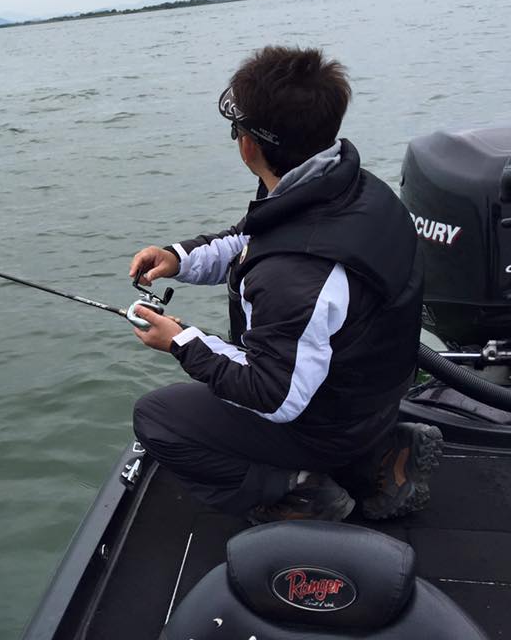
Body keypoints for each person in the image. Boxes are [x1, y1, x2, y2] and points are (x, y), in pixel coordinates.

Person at [128, 45, 441, 523]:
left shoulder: (295, 274)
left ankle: (297, 492)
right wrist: (178, 258)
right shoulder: (348, 186)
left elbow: (273, 395)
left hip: (328, 421)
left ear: (248, 146)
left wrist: (181, 342)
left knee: (156, 418)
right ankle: (379, 456)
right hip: (373, 399)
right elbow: (253, 237)